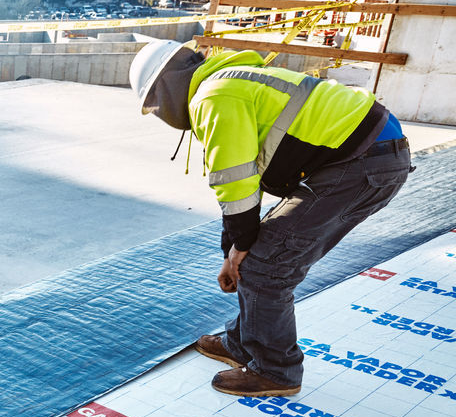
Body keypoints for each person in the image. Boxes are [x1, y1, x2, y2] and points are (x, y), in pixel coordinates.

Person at [129, 40, 411, 397]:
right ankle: (242, 343)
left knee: (268, 265)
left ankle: (276, 370)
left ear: (167, 87)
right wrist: (233, 252)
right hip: (369, 153)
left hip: (361, 160)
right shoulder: (230, 80)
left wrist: (241, 247)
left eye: (155, 103)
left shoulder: (213, 97)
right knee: (261, 254)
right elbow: (246, 180)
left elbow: (235, 184)